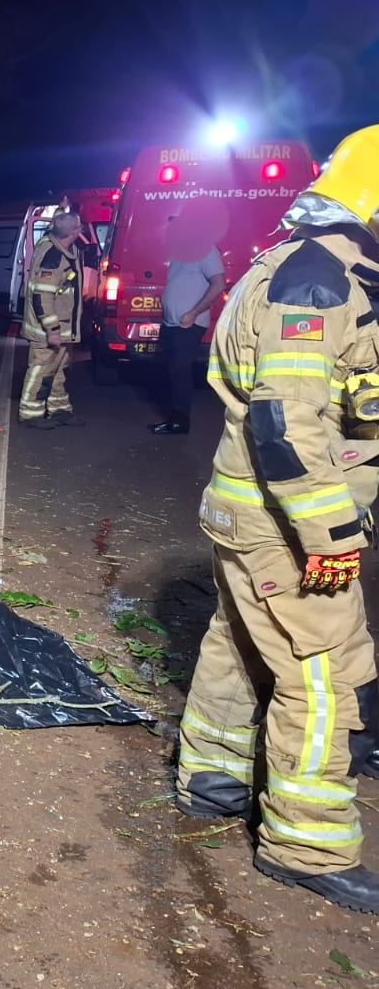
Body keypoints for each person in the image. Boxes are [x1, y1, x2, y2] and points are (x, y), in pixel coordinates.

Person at [175, 124, 379, 913]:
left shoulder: (309, 266)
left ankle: (213, 780)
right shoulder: (317, 285)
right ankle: (306, 845)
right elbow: (285, 423)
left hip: (248, 511)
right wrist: (330, 536)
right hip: (284, 522)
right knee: (323, 674)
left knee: (236, 645)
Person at [150, 237, 226, 435]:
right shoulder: (179, 254)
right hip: (171, 324)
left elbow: (219, 284)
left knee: (180, 371)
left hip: (189, 324)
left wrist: (194, 313)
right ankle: (173, 418)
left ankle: (180, 422)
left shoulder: (205, 250)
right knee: (173, 372)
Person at [17, 210, 86, 429]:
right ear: (74, 232)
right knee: (41, 370)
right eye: (80, 226)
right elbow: (42, 296)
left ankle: (59, 410)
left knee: (58, 371)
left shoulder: (58, 244)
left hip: (63, 328)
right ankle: (30, 413)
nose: (82, 228)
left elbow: (57, 225)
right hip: (49, 331)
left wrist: (62, 210)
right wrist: (52, 330)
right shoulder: (53, 256)